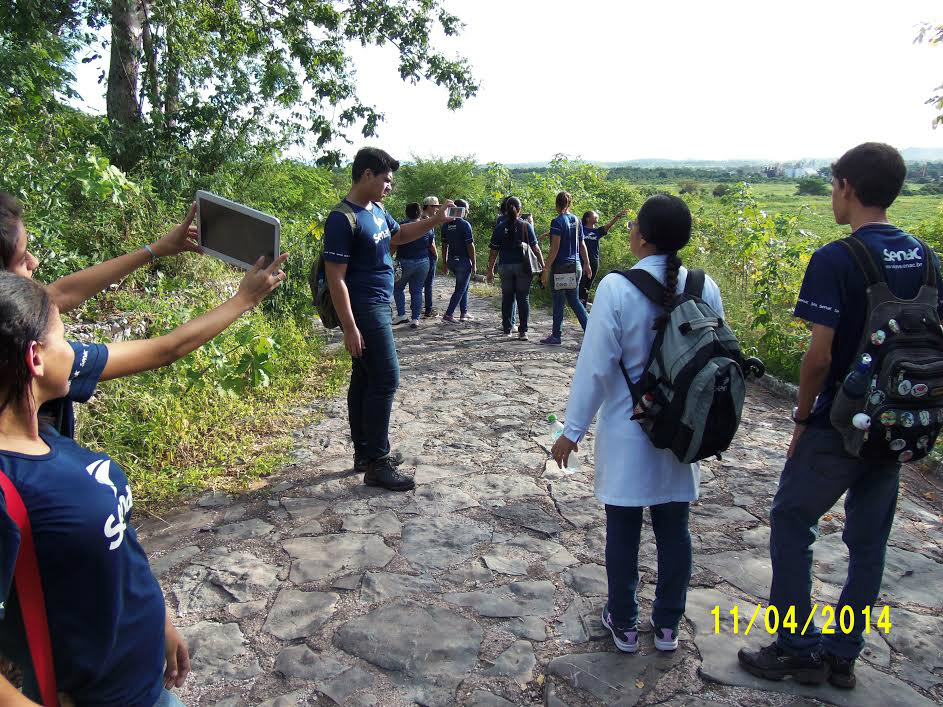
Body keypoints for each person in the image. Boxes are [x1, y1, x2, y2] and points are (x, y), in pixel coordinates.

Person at [0, 259, 285, 707]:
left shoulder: (50, 441)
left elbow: (114, 552)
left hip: (145, 679)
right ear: (35, 358)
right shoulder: (7, 486)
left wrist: (160, 620)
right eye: (63, 338)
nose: (73, 349)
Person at [738, 143, 943, 689]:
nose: (833, 195)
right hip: (899, 424)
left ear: (847, 187)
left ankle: (796, 647)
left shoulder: (836, 258)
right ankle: (844, 654)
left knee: (791, 521)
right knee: (869, 543)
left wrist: (802, 418)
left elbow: (820, 357)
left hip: (839, 425)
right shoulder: (925, 256)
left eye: (834, 186)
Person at [550, 194, 723, 655]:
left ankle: (624, 623)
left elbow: (596, 365)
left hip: (629, 429)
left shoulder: (616, 288)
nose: (629, 232)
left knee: (623, 529)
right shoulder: (704, 286)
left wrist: (572, 430)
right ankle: (667, 626)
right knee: (675, 529)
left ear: (642, 237)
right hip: (682, 430)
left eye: (632, 227)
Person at [0, 192, 290, 440]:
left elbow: (60, 294)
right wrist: (244, 299)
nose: (34, 262)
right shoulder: (45, 359)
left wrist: (155, 250)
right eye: (22, 259)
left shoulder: (10, 327)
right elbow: (165, 349)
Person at [323, 148, 453, 492]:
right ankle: (377, 463)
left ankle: (365, 454)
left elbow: (400, 236)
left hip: (379, 303)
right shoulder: (342, 219)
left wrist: (435, 221)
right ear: (367, 175)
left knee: (364, 378)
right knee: (386, 378)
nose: (389, 186)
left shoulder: (376, 209)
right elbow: (336, 278)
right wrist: (350, 327)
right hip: (365, 308)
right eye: (386, 179)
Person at [486, 197, 544, 341]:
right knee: (523, 298)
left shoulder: (500, 227)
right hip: (523, 267)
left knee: (507, 297)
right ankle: (523, 332)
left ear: (505, 210)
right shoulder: (526, 226)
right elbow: (536, 249)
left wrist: (490, 270)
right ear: (519, 210)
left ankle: (507, 329)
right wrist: (543, 267)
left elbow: (493, 252)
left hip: (505, 266)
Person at [540, 191, 592, 346]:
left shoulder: (557, 222)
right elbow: (582, 244)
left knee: (558, 301)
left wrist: (546, 269)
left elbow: (555, 248)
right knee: (574, 300)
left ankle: (556, 336)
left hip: (561, 268)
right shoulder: (577, 220)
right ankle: (591, 331)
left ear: (557, 204)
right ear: (569, 204)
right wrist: (587, 264)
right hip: (576, 266)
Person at [579, 208, 629, 307]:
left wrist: (618, 216)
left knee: (588, 283)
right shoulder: (580, 230)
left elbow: (609, 225)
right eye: (595, 215)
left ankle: (583, 304)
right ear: (588, 218)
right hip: (582, 261)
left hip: (594, 261)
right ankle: (576, 303)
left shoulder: (597, 231)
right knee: (581, 282)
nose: (597, 216)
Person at [392, 202, 430, 328]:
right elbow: (430, 244)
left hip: (404, 261)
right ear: (420, 212)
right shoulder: (426, 226)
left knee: (398, 288)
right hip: (423, 261)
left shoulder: (401, 226)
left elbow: (394, 243)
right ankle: (415, 319)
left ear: (407, 213)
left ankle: (402, 314)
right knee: (417, 290)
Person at [441, 199, 476, 323]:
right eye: (467, 209)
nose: (468, 211)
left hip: (452, 261)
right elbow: (470, 245)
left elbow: (444, 246)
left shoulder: (445, 225)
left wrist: (445, 263)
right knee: (460, 288)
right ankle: (448, 314)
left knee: (463, 286)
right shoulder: (465, 224)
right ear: (461, 210)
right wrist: (474, 263)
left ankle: (463, 312)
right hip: (463, 262)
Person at [420, 196, 440, 319]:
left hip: (419, 255)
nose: (437, 209)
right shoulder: (428, 220)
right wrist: (436, 254)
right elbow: (431, 242)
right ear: (429, 206)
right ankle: (429, 309)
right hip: (428, 255)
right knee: (428, 284)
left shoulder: (418, 218)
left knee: (418, 284)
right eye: (435, 206)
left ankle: (417, 308)